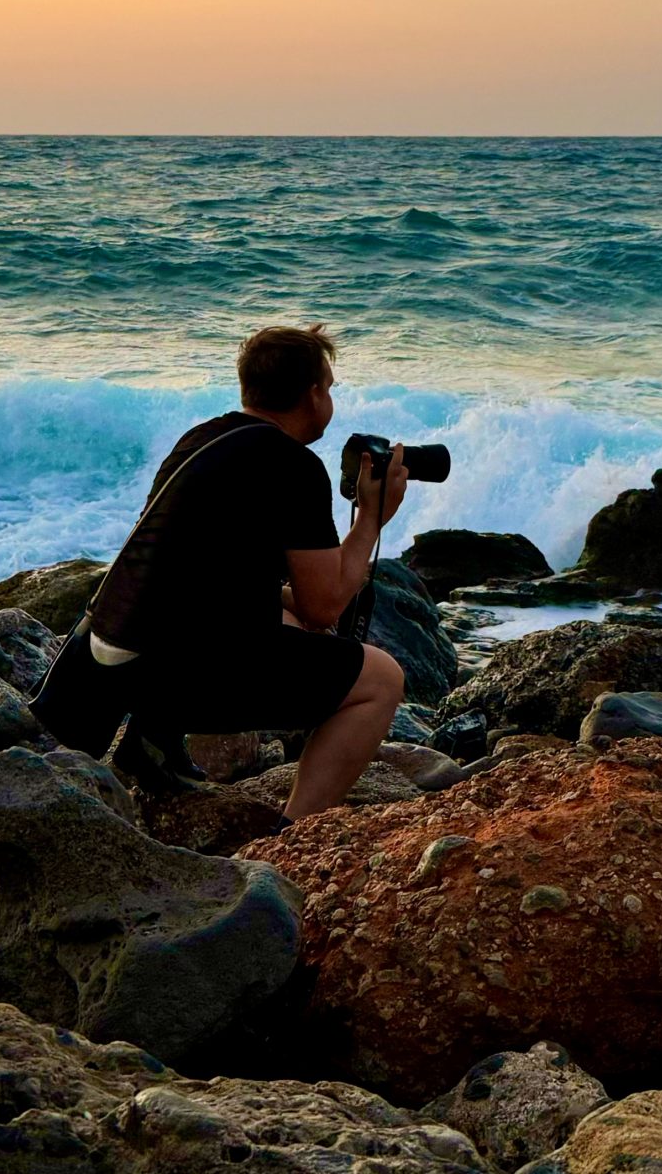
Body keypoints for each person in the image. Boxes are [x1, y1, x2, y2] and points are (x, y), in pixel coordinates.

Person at [31, 324, 408, 819]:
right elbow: (325, 607)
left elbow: (199, 571)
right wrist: (371, 518)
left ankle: (153, 744)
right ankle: (295, 831)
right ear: (313, 394)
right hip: (172, 674)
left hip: (107, 661)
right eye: (330, 388)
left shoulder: (201, 439)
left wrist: (296, 606)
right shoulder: (293, 465)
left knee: (287, 620)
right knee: (381, 679)